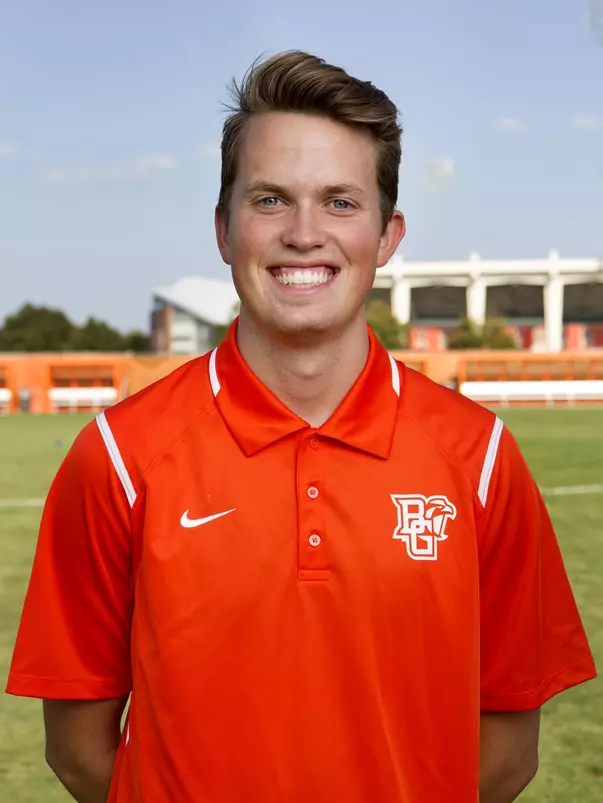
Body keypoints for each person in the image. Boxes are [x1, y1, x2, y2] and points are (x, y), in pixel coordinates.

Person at [6, 51, 596, 803]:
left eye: (341, 202)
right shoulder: (119, 456)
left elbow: (507, 751)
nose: (304, 233)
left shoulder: (477, 458)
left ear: (387, 236)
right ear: (224, 229)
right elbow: (79, 747)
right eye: (270, 199)